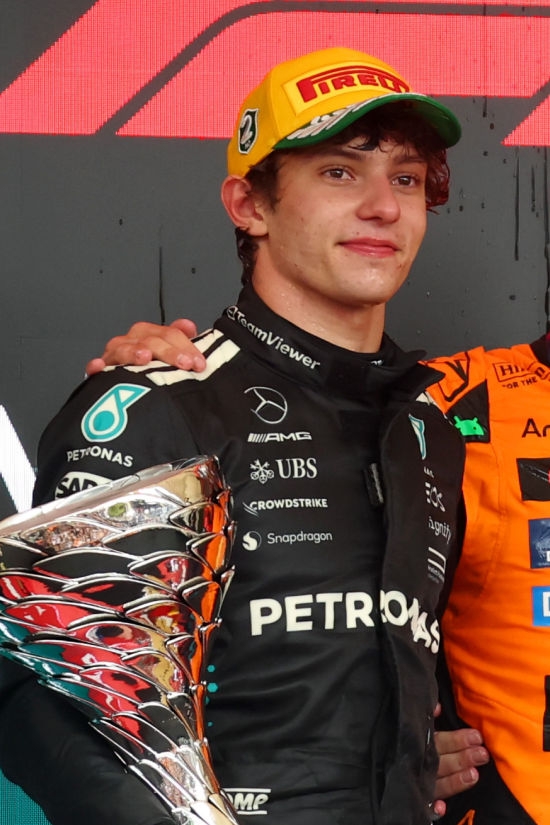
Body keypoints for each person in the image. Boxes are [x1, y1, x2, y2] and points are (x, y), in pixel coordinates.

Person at [0, 47, 483, 825]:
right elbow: (37, 689)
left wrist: (411, 760)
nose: (384, 206)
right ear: (250, 205)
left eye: (405, 177)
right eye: (339, 171)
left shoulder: (428, 429)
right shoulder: (156, 404)